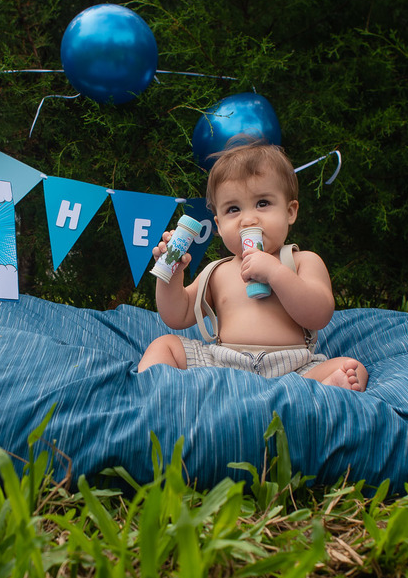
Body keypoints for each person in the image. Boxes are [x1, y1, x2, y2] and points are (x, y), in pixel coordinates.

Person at [136, 138, 368, 391]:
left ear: (290, 211)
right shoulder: (218, 271)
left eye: (263, 203)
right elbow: (176, 315)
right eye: (233, 209)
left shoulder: (302, 262)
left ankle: (322, 388)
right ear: (219, 224)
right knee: (165, 344)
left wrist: (276, 273)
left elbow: (319, 315)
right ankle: (154, 392)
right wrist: (170, 274)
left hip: (292, 370)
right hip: (223, 364)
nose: (248, 219)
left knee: (352, 367)